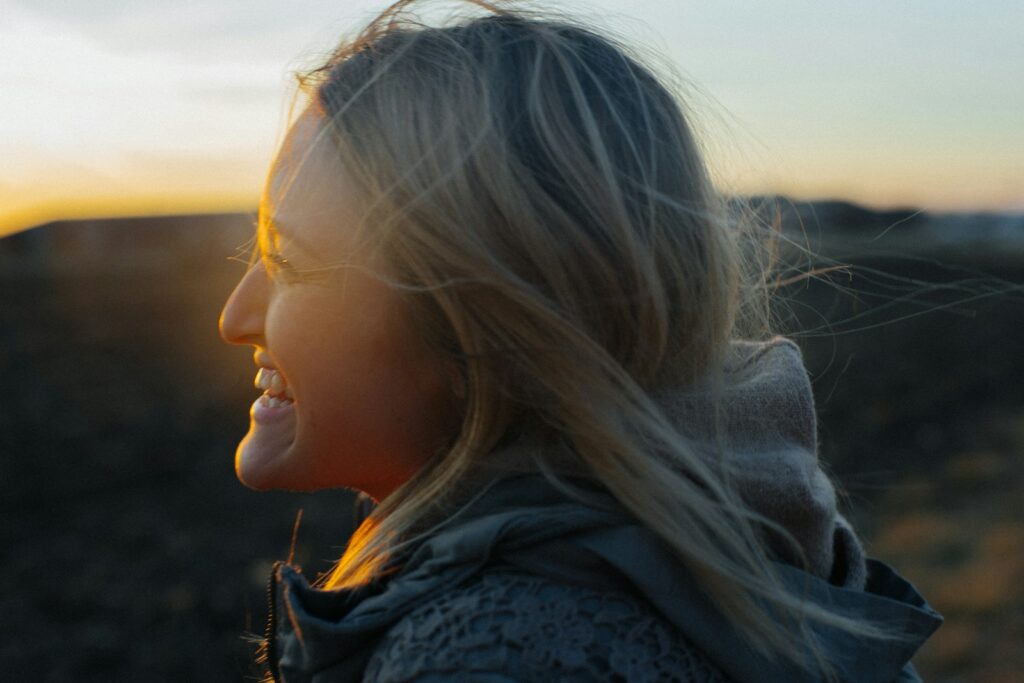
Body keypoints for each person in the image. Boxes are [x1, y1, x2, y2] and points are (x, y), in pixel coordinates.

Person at [219, 1, 942, 680]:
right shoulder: (750, 556)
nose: (233, 316)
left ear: (482, 323)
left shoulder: (487, 654)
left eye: (288, 259)